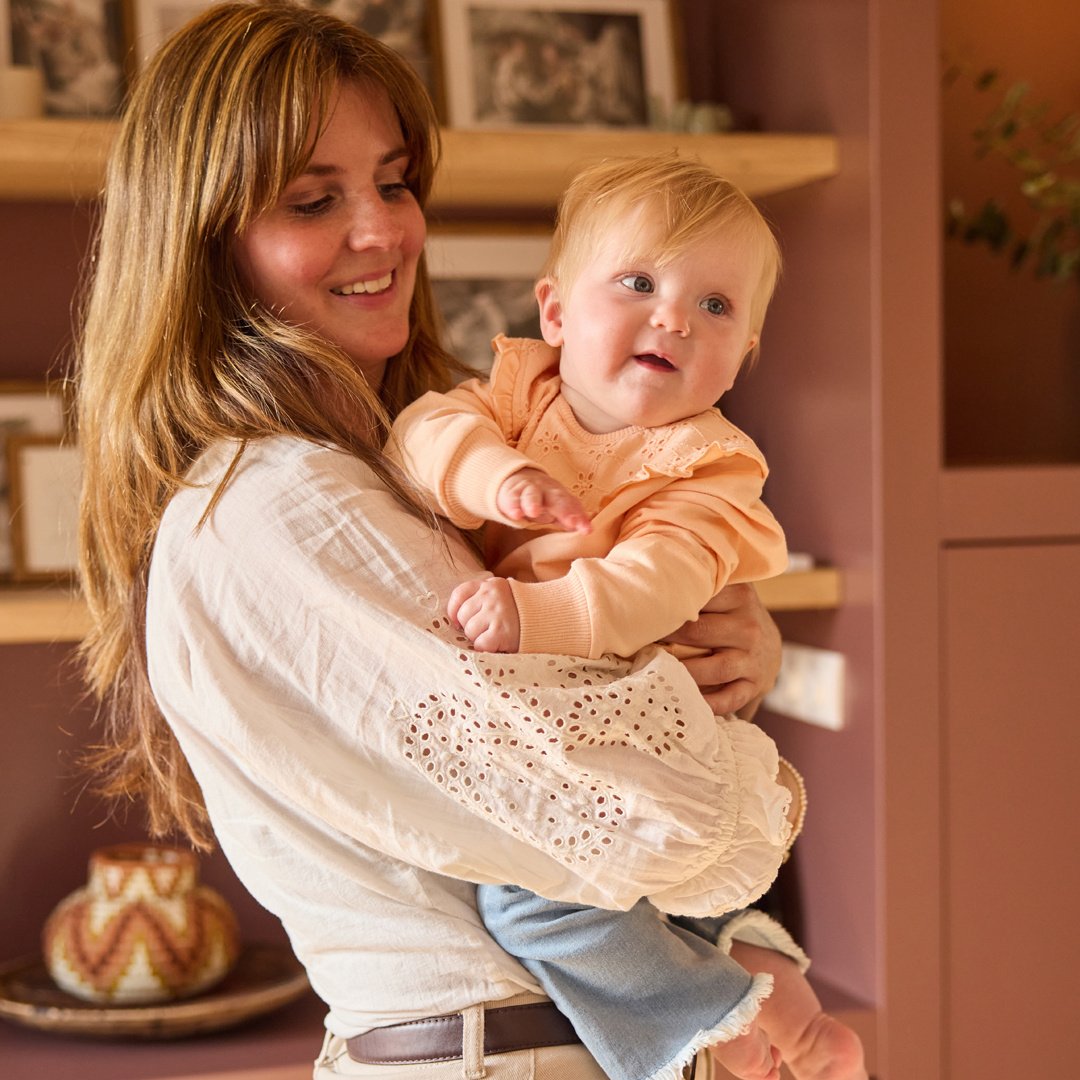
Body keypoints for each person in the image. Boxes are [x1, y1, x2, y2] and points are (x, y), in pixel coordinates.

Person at [74, 4, 829, 1078]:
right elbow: (650, 811)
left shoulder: (407, 457)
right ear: (202, 244)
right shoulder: (278, 504)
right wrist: (711, 715)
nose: (383, 231)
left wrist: (723, 642)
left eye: (393, 183)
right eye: (313, 200)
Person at [389, 157, 866, 1080]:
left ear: (744, 353)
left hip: (640, 724)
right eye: (639, 284)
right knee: (666, 903)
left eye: (714, 306)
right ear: (556, 313)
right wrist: (497, 477)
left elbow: (660, 581)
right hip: (596, 737)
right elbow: (423, 433)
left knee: (535, 905)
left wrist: (539, 614)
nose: (675, 319)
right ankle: (780, 999)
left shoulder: (710, 467)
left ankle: (709, 1019)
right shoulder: (516, 402)